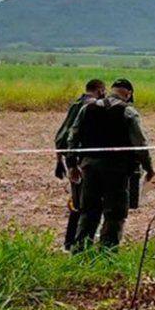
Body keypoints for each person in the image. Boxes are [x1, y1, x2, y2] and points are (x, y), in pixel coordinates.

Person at [66, 78, 155, 251]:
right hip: (117, 171)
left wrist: (72, 165)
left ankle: (79, 251)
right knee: (115, 213)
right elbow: (140, 145)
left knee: (88, 211)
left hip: (89, 168)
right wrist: (149, 168)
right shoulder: (128, 112)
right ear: (128, 94)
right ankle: (107, 253)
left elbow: (73, 137)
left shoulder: (87, 108)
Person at [54, 78, 105, 252]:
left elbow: (62, 135)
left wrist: (62, 160)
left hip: (71, 159)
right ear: (100, 90)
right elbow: (74, 136)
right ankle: (74, 243)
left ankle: (71, 242)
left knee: (78, 202)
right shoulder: (91, 107)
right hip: (81, 161)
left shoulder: (77, 103)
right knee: (84, 205)